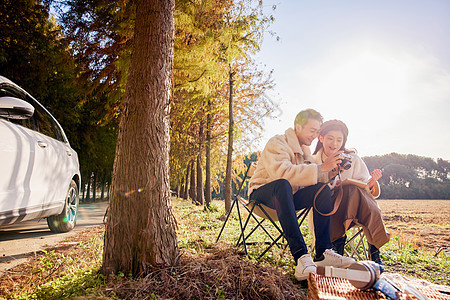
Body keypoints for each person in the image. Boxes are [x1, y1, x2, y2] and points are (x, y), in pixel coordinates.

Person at [248, 109, 356, 282]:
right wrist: (321, 169)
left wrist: (332, 172)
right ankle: (301, 257)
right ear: (298, 126)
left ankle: (323, 253)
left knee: (322, 189)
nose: (315, 136)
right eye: (312, 131)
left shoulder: (306, 152)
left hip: (288, 199)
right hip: (263, 196)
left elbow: (312, 177)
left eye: (317, 132)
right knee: (283, 183)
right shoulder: (277, 143)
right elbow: (282, 173)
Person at [312, 119, 390, 264]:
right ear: (321, 138)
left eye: (339, 140)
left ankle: (341, 247)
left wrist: (371, 183)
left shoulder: (353, 159)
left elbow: (367, 188)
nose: (334, 144)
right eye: (330, 138)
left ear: (343, 142)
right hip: (331, 210)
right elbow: (312, 189)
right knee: (349, 189)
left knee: (353, 190)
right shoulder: (313, 162)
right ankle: (374, 251)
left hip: (360, 210)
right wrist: (333, 179)